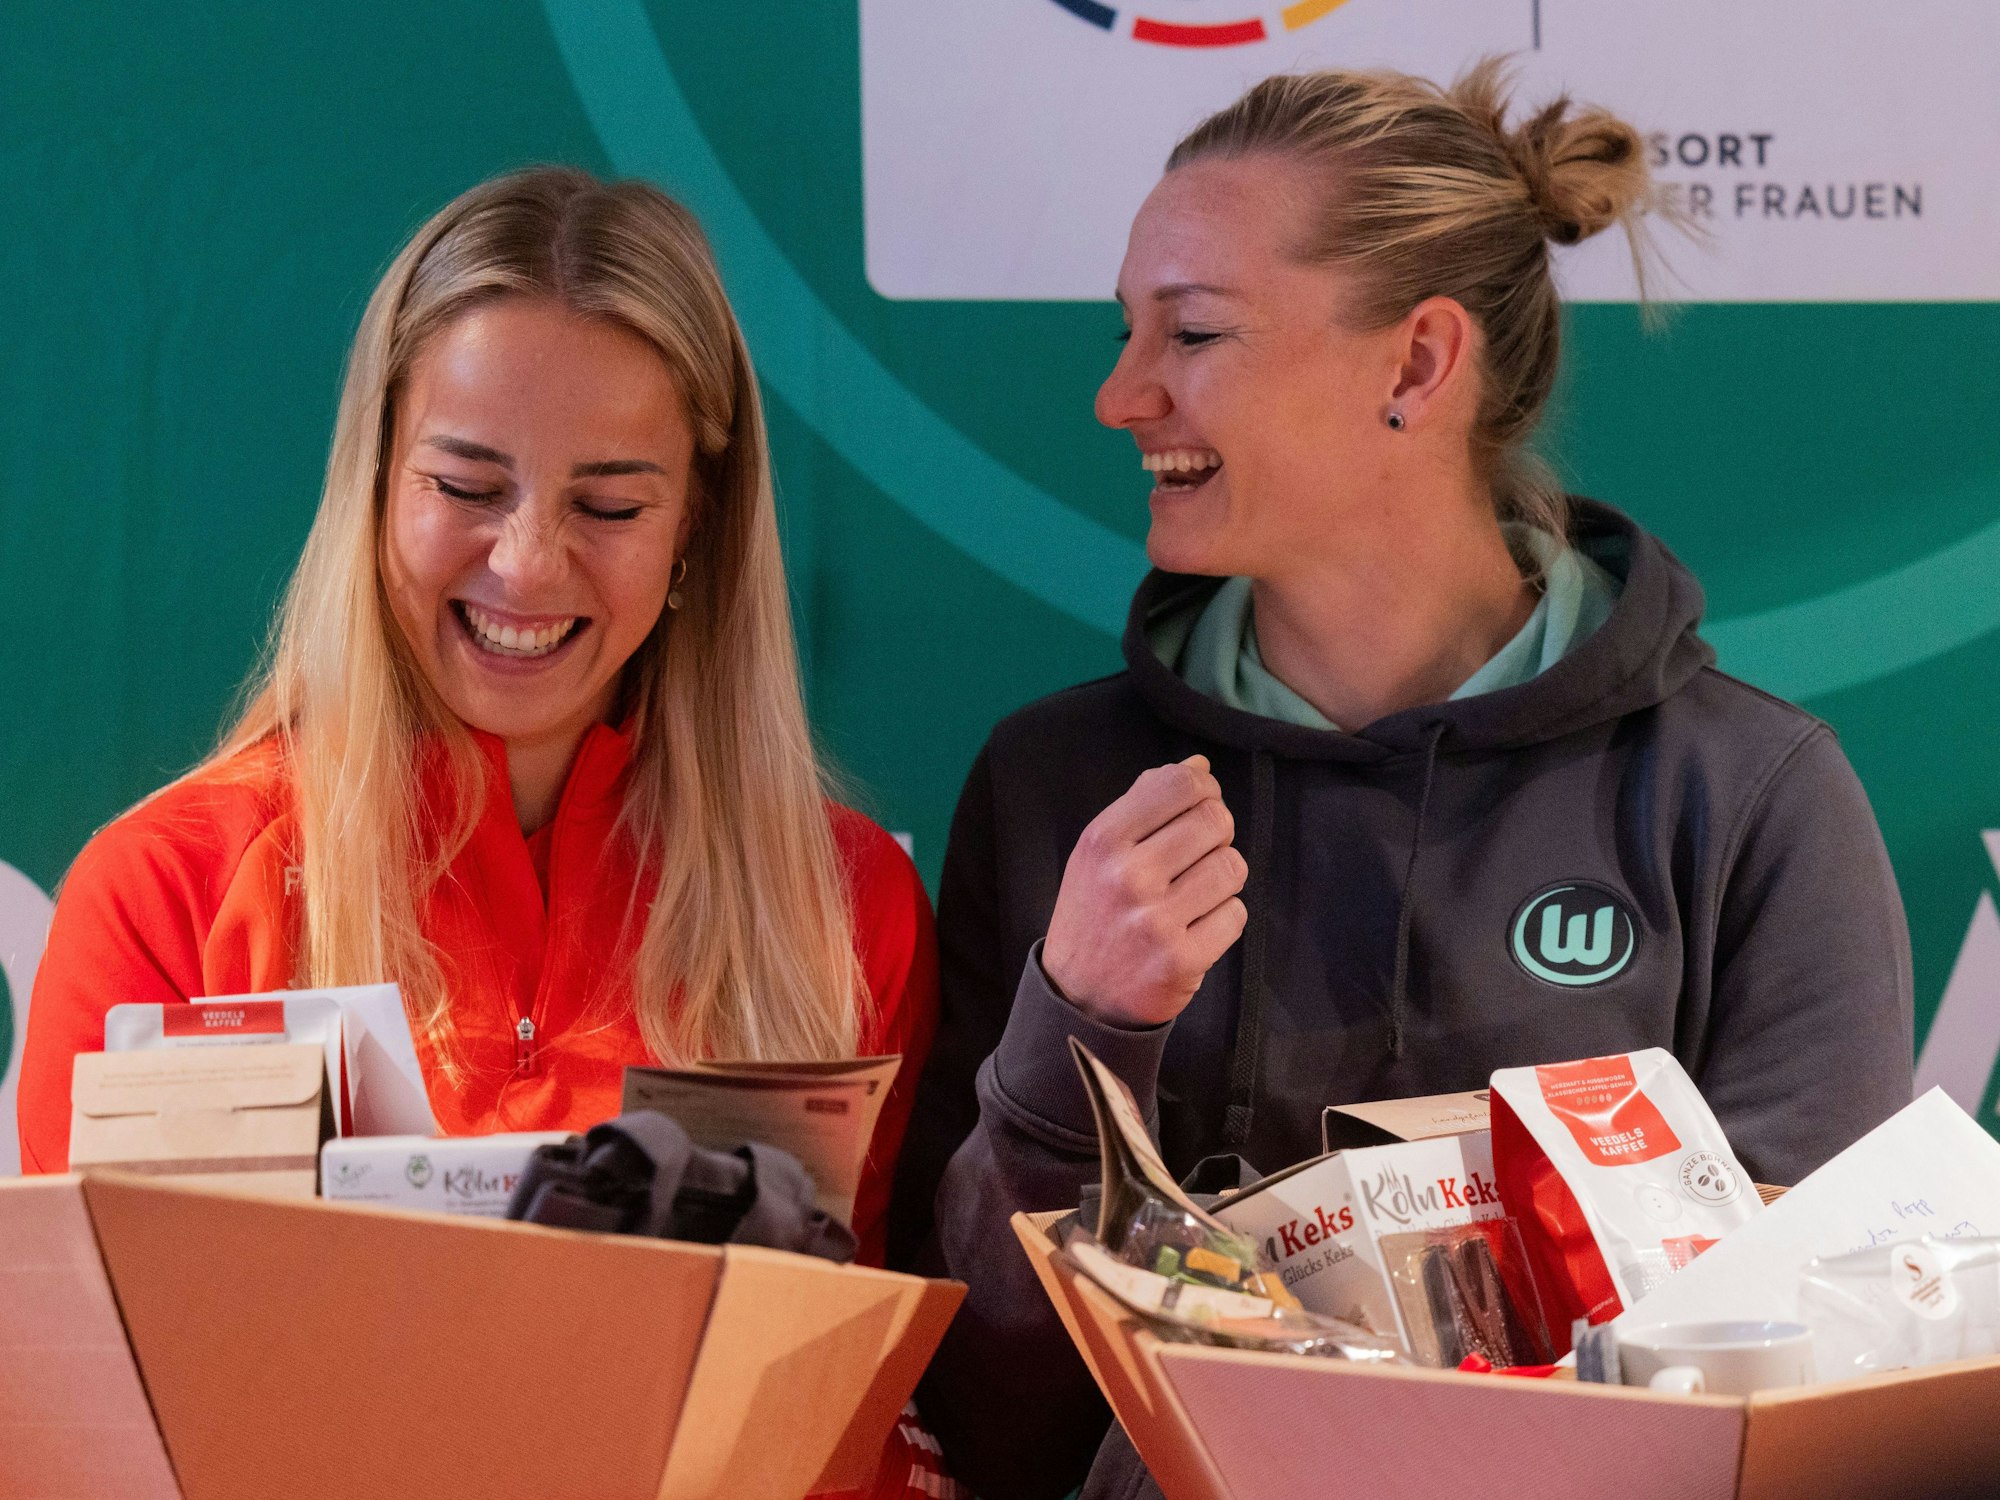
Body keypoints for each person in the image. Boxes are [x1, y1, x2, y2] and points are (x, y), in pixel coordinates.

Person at [890, 62, 1915, 1500]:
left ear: (1419, 366)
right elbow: (985, 1429)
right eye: (1129, 331)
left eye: (1192, 332)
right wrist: (1077, 1048)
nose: (1122, 395)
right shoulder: (1060, 786)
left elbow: (1814, 1406)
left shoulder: (1745, 798)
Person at [17, 167, 938, 1262]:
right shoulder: (167, 892)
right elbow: (100, 1389)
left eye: (609, 506)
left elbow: (862, 1393)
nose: (527, 563)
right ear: (374, 482)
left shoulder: (839, 907)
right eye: (464, 488)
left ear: (696, 523)